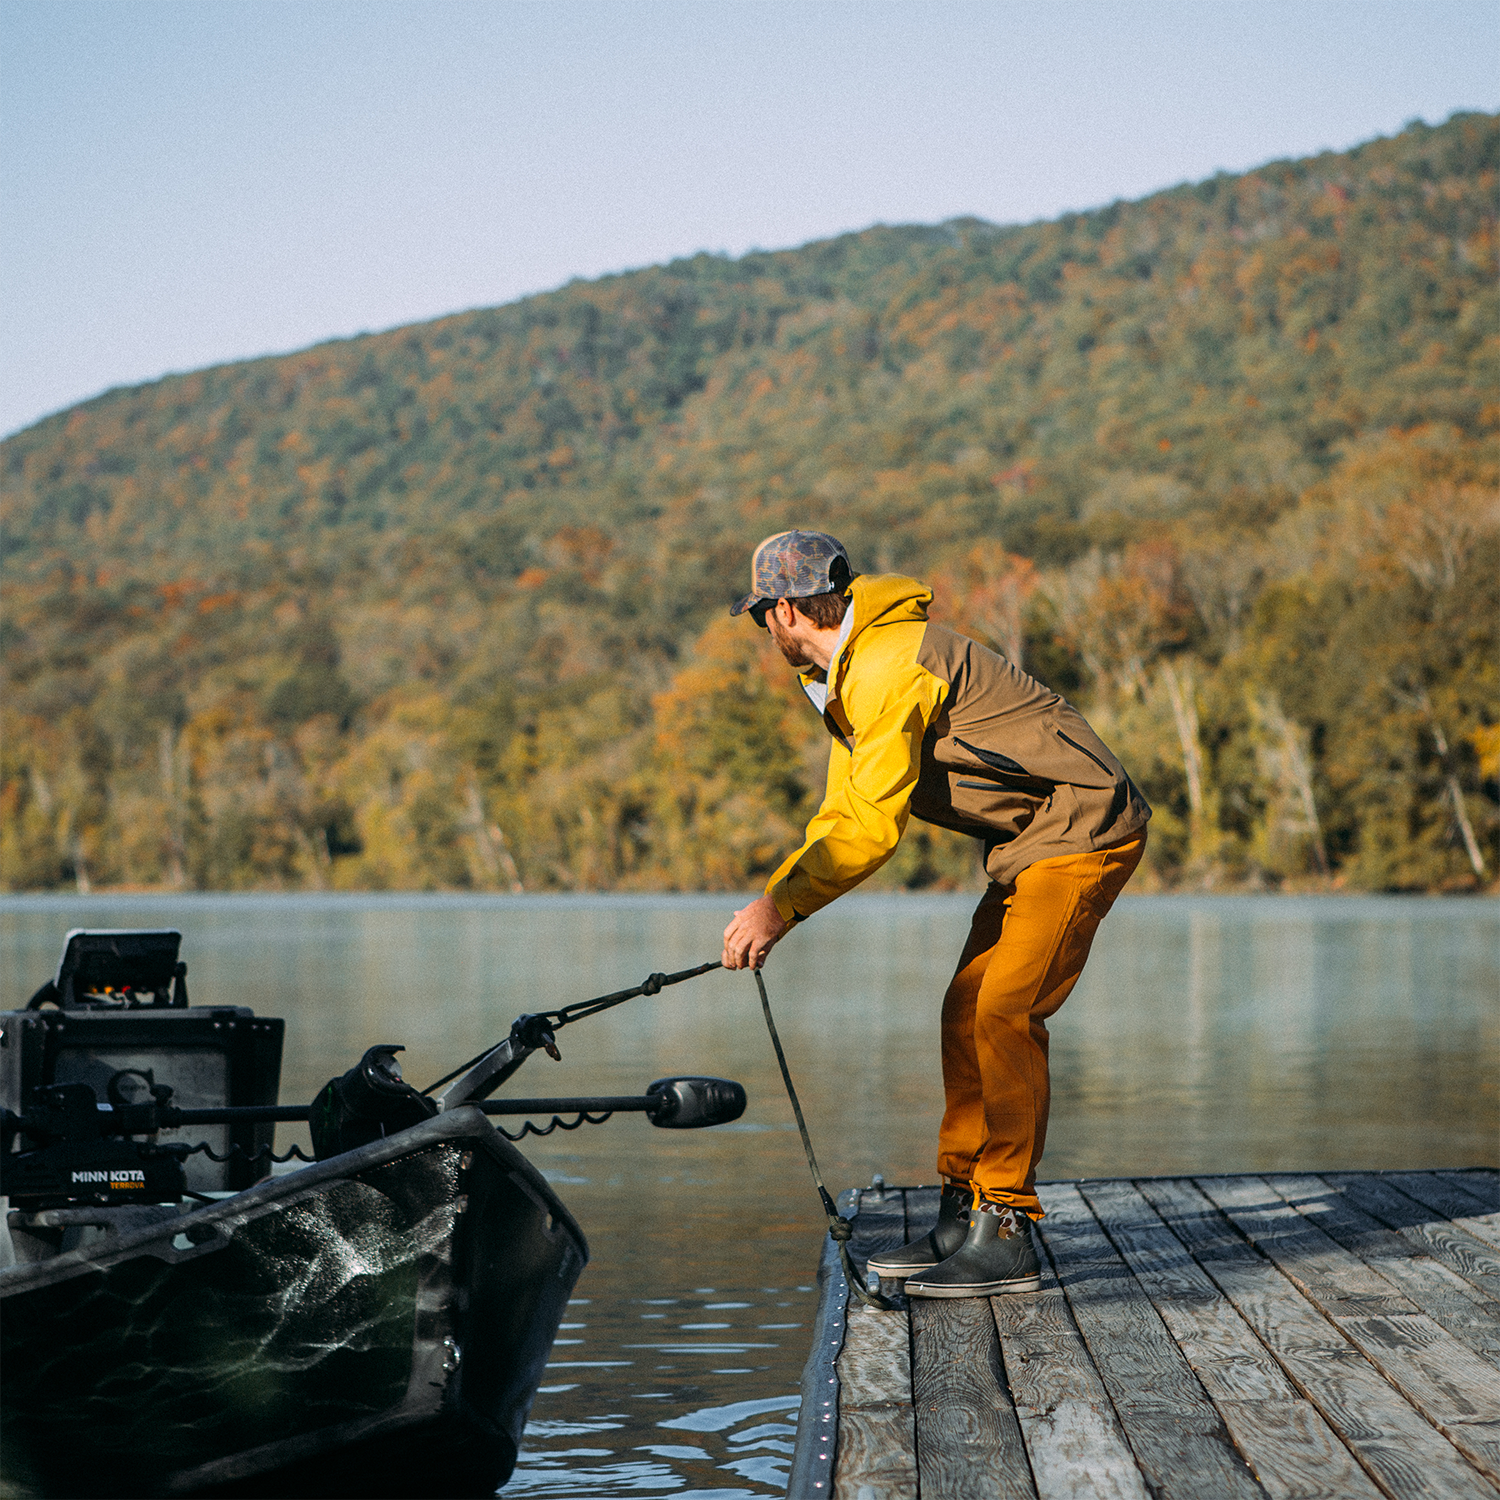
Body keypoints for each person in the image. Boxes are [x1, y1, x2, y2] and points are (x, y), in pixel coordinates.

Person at [721, 530, 1149, 1298]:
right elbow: (842, 811)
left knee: (1007, 1009)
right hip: (1031, 844)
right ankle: (963, 1215)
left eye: (761, 619)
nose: (765, 634)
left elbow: (869, 832)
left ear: (786, 610)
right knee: (965, 1010)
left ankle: (1007, 1228)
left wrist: (780, 908)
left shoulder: (890, 667)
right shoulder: (850, 674)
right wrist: (774, 900)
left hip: (1086, 829)